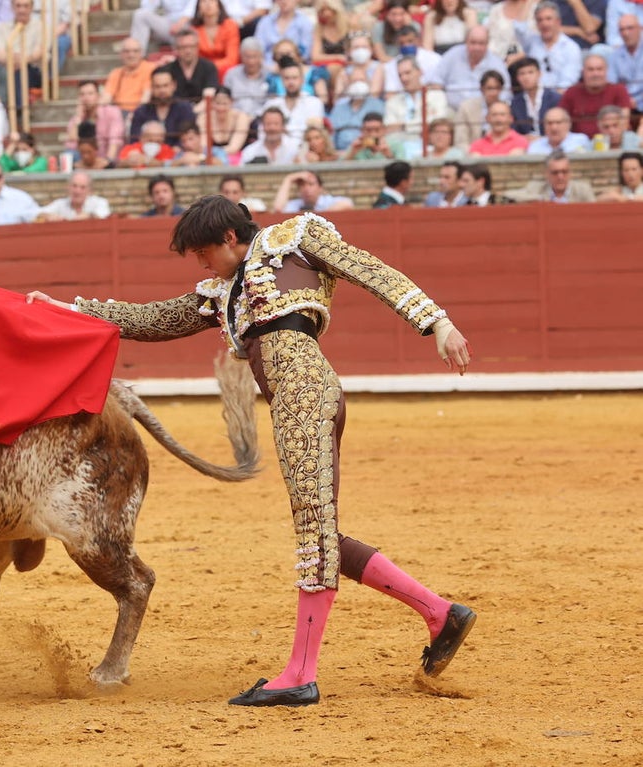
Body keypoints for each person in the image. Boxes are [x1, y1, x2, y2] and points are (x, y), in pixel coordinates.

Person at [25, 196, 475, 709]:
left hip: (306, 393)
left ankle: (301, 674)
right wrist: (75, 311)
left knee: (314, 535)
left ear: (230, 239)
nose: (200, 264)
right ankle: (440, 613)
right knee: (325, 532)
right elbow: (154, 319)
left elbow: (371, 270)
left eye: (202, 253)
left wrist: (435, 322)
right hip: (291, 401)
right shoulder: (223, 291)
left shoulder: (297, 240)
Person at [384, 56, 450, 159]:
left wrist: (403, 126)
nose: (404, 78)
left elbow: (437, 125)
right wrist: (422, 125)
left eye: (407, 73)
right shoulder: (392, 102)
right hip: (401, 151)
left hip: (431, 147)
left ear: (420, 72)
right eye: (400, 75)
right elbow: (389, 131)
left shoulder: (437, 96)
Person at [431, 25, 509, 111]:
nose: (477, 47)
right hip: (451, 111)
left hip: (484, 115)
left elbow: (505, 93)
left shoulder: (496, 64)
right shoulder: (452, 55)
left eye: (481, 43)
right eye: (473, 42)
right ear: (466, 42)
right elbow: (435, 81)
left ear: (487, 44)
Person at [558, 52, 633, 137]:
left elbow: (624, 122)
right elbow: (560, 120)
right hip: (579, 146)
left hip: (612, 143)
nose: (595, 74)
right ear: (583, 72)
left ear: (606, 71)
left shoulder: (619, 90)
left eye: (599, 69)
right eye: (591, 69)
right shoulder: (571, 92)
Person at [262, 53, 326, 141]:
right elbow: (262, 134)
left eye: (294, 78)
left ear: (302, 80)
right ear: (281, 80)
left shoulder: (314, 103)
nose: (291, 82)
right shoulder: (271, 105)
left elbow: (315, 135)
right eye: (287, 78)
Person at [523, 0, 582, 91]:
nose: (544, 24)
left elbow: (567, 84)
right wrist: (529, 3)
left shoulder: (571, 48)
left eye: (548, 19)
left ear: (558, 22)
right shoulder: (531, 43)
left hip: (560, 99)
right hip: (534, 95)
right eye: (540, 20)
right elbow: (519, 29)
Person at [129, 68, 197, 147]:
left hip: (178, 155)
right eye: (157, 86)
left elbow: (189, 137)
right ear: (152, 88)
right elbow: (134, 140)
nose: (162, 90)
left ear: (173, 86)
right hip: (147, 156)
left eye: (165, 86)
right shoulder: (141, 111)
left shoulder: (185, 108)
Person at [156, 26, 220, 106]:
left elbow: (209, 97)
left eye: (191, 46)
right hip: (173, 113)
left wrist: (193, 112)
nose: (188, 51)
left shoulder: (208, 67)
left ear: (197, 47)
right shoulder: (166, 70)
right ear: (176, 48)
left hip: (202, 111)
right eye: (183, 47)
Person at [64, 79, 124, 165]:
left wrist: (108, 162)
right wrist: (78, 118)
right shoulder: (76, 118)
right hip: (84, 161)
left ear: (98, 96)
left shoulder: (112, 112)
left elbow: (115, 140)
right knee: (69, 154)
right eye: (82, 94)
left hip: (105, 159)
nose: (86, 98)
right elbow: (71, 145)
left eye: (90, 94)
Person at [507, 149, 596, 201]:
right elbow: (509, 196)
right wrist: (538, 199)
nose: (560, 177)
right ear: (547, 174)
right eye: (555, 172)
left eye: (564, 172)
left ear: (570, 173)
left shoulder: (582, 190)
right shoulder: (536, 188)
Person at [329, 73, 386, 151]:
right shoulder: (339, 108)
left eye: (362, 80)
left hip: (368, 151)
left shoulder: (378, 105)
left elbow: (382, 132)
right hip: (341, 153)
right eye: (354, 81)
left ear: (368, 83)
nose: (358, 84)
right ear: (349, 85)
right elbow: (331, 134)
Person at [453, 69, 507, 149]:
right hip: (471, 154)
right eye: (489, 88)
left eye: (497, 88)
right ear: (482, 89)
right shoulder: (466, 107)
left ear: (501, 89)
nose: (493, 93)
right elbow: (460, 140)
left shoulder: (506, 108)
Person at [102, 36, 154, 115]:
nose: (131, 55)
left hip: (142, 112)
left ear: (141, 53)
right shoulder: (115, 73)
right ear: (121, 54)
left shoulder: (151, 69)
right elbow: (106, 98)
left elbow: (146, 99)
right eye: (127, 51)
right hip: (118, 114)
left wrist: (136, 115)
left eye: (135, 51)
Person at [511, 56, 561, 135]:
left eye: (530, 72)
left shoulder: (554, 98)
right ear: (517, 78)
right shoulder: (515, 102)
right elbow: (515, 130)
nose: (526, 77)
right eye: (522, 73)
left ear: (539, 74)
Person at [191, 0, 240, 80]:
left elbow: (232, 59)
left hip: (226, 71)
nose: (208, 4)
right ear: (198, 7)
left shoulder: (230, 26)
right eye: (204, 1)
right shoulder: (194, 30)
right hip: (202, 73)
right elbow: (194, 59)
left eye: (212, 1)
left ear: (219, 5)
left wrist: (209, 66)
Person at [221, 37, 270, 117]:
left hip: (262, 118)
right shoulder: (231, 74)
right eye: (247, 57)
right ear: (241, 57)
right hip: (235, 117)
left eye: (254, 56)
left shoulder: (269, 75)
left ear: (261, 56)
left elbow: (273, 102)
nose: (251, 61)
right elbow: (225, 99)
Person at [35, 170, 111, 221]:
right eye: (74, 186)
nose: (77, 191)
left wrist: (90, 216)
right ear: (68, 187)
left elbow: (103, 216)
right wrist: (47, 216)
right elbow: (36, 213)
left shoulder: (100, 202)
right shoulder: (60, 204)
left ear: (89, 191)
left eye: (82, 187)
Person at [254, 0, 312, 65]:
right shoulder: (265, 22)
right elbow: (257, 50)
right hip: (267, 69)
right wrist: (269, 67)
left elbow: (306, 53)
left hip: (295, 68)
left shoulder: (305, 23)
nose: (283, 1)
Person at [273, 169, 354, 212]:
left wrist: (318, 217)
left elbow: (348, 204)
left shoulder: (327, 201)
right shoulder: (296, 204)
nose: (306, 189)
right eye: (302, 185)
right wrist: (289, 179)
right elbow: (278, 209)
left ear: (320, 188)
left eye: (311, 184)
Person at [608, 12, 643, 108]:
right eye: (622, 30)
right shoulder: (614, 56)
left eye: (630, 28)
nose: (626, 33)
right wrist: (624, 100)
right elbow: (611, 85)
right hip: (623, 106)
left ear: (640, 28)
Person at [527, 106, 592, 151]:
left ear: (568, 124)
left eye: (558, 123)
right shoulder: (535, 147)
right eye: (549, 123)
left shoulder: (581, 141)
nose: (553, 128)